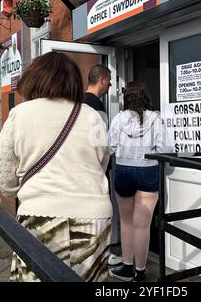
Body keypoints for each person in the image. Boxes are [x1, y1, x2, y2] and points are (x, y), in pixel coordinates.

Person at [0, 52, 112, 282]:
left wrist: (20, 189)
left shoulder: (20, 114)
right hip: (95, 217)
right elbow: (102, 162)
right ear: (74, 81)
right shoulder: (93, 116)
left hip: (40, 215)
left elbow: (2, 174)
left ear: (34, 79)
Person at [108, 81, 171, 282]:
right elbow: (165, 150)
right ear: (146, 97)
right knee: (142, 225)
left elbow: (109, 147)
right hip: (148, 170)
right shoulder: (156, 118)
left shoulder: (118, 119)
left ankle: (127, 268)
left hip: (124, 171)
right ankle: (140, 273)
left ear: (127, 98)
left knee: (126, 222)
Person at [85, 64, 123, 268]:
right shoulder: (96, 108)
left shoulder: (78, 103)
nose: (110, 85)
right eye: (109, 81)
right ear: (101, 80)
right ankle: (102, 256)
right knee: (100, 216)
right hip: (95, 173)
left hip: (82, 171)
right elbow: (101, 146)